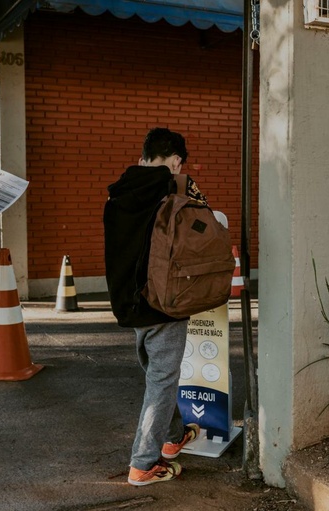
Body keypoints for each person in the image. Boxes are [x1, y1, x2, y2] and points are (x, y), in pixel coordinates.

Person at [103, 128, 206, 486]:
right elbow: (207, 228)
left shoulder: (117, 194)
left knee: (158, 374)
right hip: (164, 301)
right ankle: (143, 464)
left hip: (128, 301)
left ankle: (174, 436)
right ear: (176, 160)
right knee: (161, 381)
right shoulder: (176, 189)